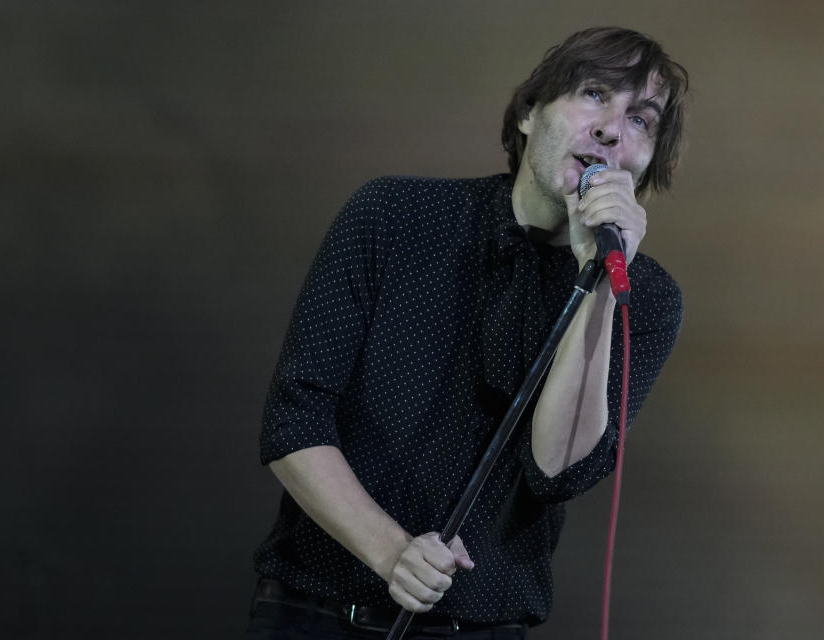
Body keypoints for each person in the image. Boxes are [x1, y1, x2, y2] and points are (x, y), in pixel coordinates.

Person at [248, 26, 689, 639]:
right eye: (594, 94)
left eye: (642, 120)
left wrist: (595, 284)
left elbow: (557, 470)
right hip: (313, 613)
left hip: (480, 627)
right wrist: (390, 550)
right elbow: (294, 419)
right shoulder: (394, 216)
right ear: (531, 113)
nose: (614, 129)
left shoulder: (645, 295)